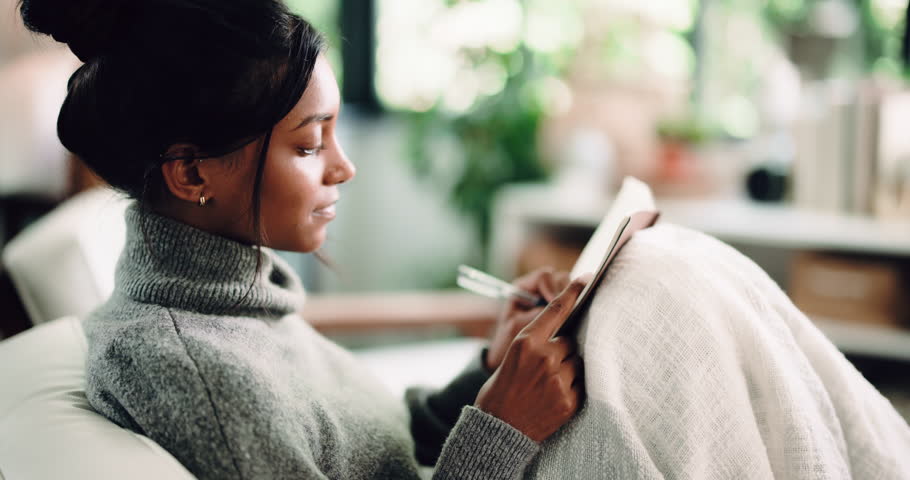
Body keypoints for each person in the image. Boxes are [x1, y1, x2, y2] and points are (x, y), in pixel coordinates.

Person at [16, 0, 588, 478]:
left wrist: (492, 369)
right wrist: (502, 431)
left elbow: (379, 449)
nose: (344, 168)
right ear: (190, 173)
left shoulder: (242, 304)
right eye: (310, 145)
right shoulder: (195, 372)